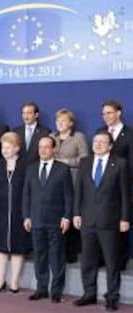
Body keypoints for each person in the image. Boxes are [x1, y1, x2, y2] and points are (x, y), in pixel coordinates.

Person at [72, 131, 130, 312]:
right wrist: (76, 214)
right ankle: (89, 293)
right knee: (88, 261)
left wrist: (125, 218)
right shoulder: (85, 162)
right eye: (95, 141)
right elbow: (79, 192)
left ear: (110, 146)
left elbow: (124, 195)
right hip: (87, 220)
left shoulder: (120, 164)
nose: (97, 144)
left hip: (110, 221)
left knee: (112, 262)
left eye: (102, 142)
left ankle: (112, 297)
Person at [22, 136, 73, 303]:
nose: (42, 150)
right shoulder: (31, 168)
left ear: (54, 150)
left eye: (46, 147)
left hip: (56, 220)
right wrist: (26, 216)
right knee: (39, 255)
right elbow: (26, 194)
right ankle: (41, 288)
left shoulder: (63, 169)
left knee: (57, 256)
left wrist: (67, 216)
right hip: (36, 219)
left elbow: (68, 195)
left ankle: (56, 291)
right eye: (40, 147)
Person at [0, 132, 30, 293]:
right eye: (3, 147)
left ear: (17, 148)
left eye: (8, 147)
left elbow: (29, 190)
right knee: (0, 247)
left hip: (19, 212)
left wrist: (28, 214)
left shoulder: (26, 165)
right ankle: (0, 281)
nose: (5, 150)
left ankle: (14, 282)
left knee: (18, 248)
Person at [96, 100, 133, 271]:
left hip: (122, 187)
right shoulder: (99, 133)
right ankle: (102, 257)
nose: (106, 116)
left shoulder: (130, 134)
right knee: (102, 224)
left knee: (121, 223)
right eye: (103, 113)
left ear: (118, 113)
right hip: (101, 189)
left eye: (109, 113)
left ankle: (120, 260)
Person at [50, 109, 89, 263]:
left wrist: (67, 162)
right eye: (58, 121)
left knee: (72, 215)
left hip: (73, 182)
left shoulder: (78, 137)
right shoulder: (51, 137)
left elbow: (85, 160)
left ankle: (71, 254)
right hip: (54, 183)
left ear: (71, 123)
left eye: (63, 121)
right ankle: (57, 250)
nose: (59, 123)